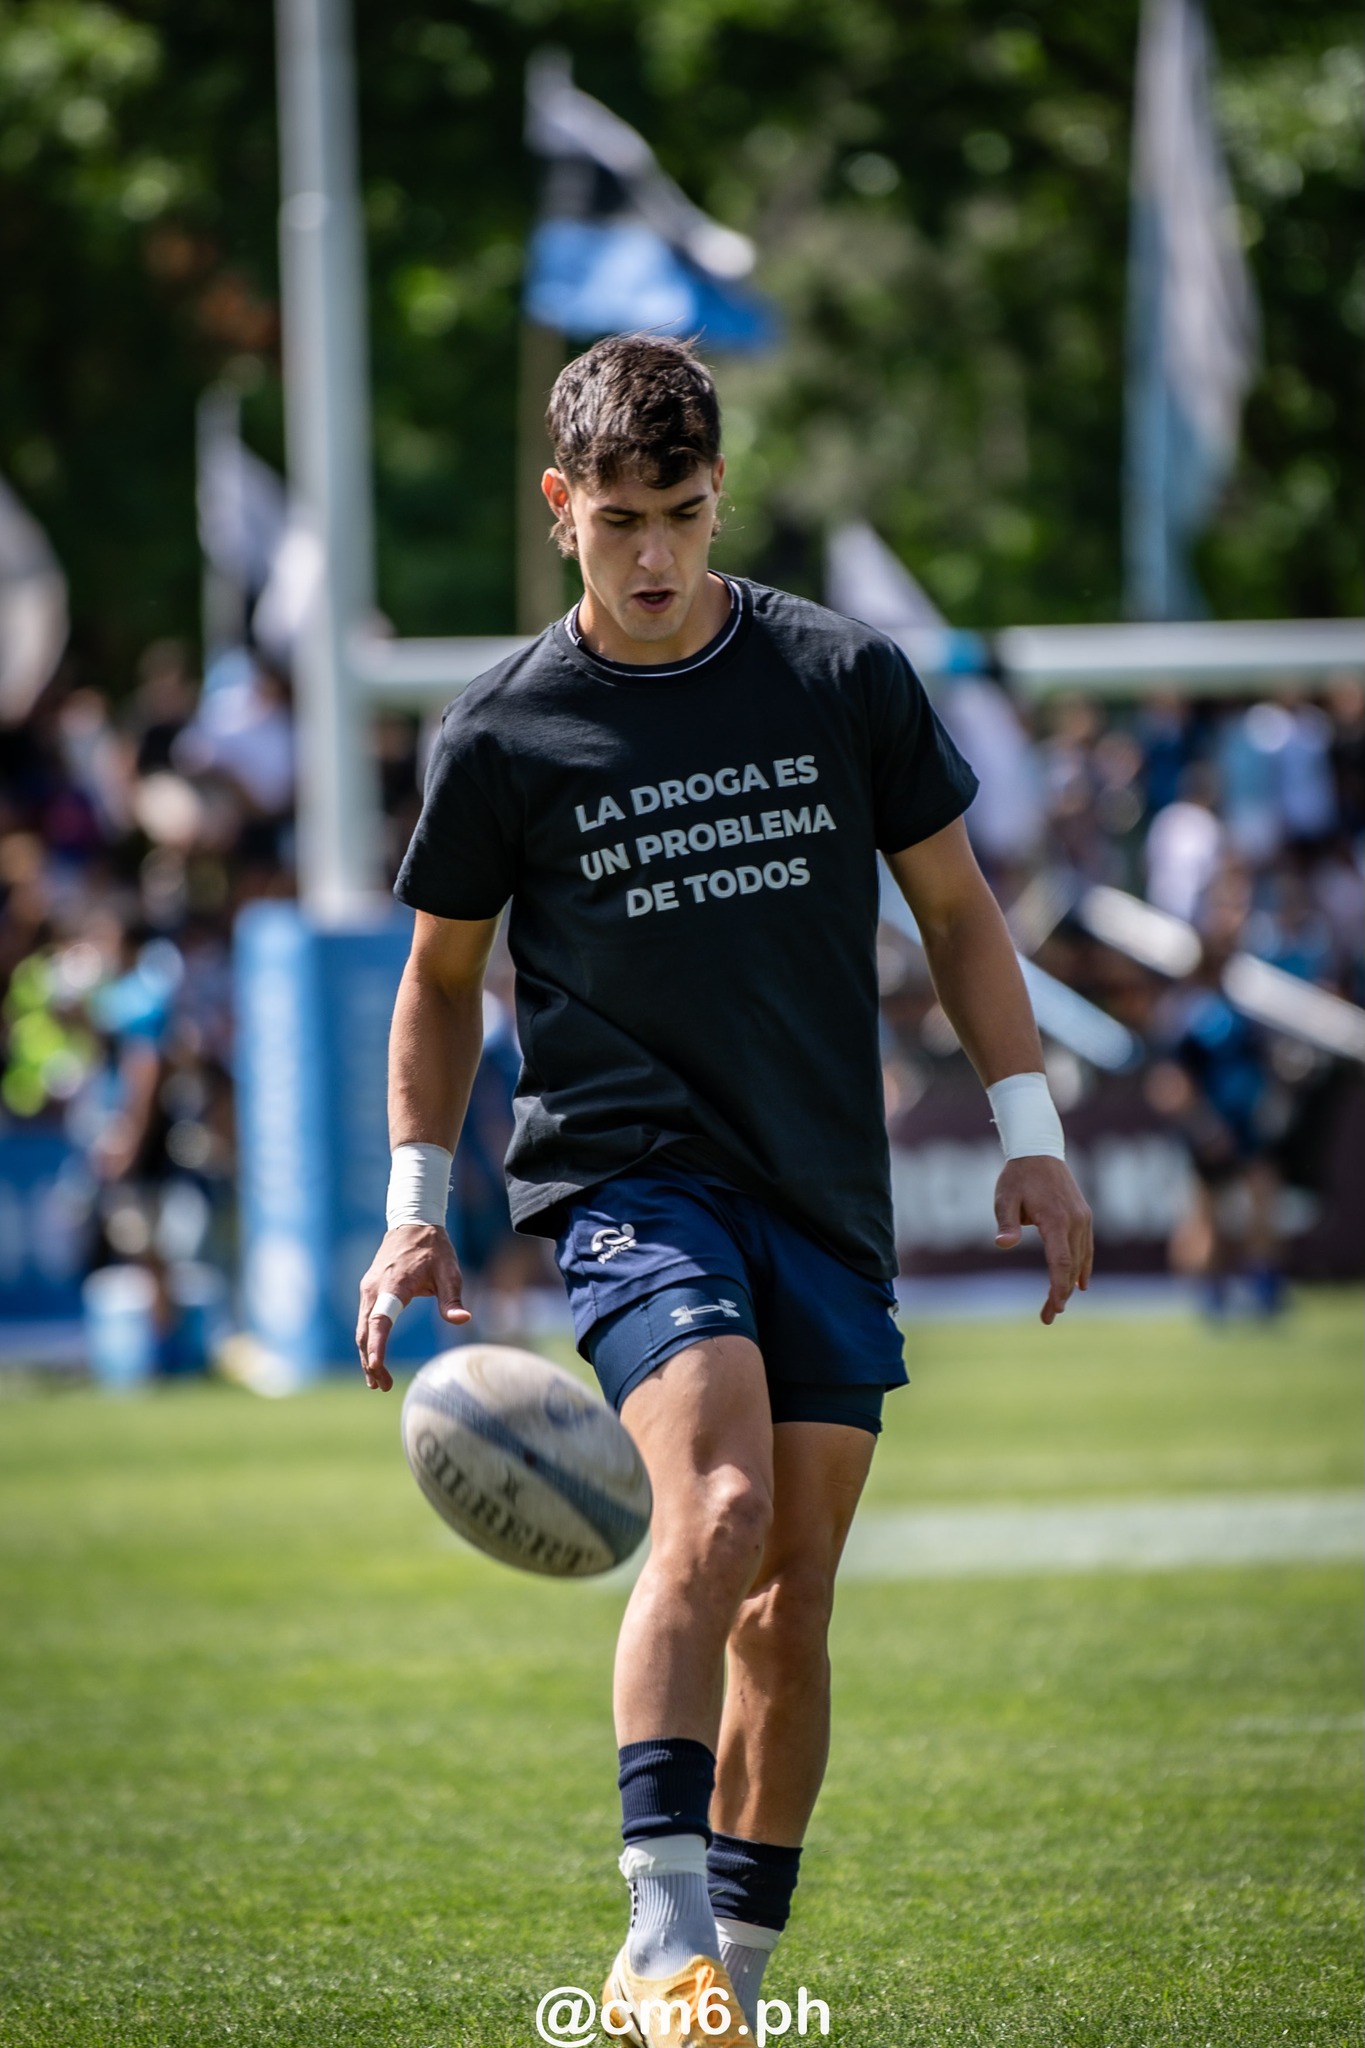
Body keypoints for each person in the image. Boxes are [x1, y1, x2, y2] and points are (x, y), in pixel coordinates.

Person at [356, 334, 1093, 2045]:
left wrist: (1033, 1131)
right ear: (562, 506)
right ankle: (656, 1934)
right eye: (619, 519)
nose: (655, 555)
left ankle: (726, 1992)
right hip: (631, 1177)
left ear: (718, 495)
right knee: (721, 1508)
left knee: (793, 1593)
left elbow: (959, 912)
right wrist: (413, 1205)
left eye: (681, 514)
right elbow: (441, 982)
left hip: (821, 1185)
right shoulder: (503, 731)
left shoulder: (839, 675)